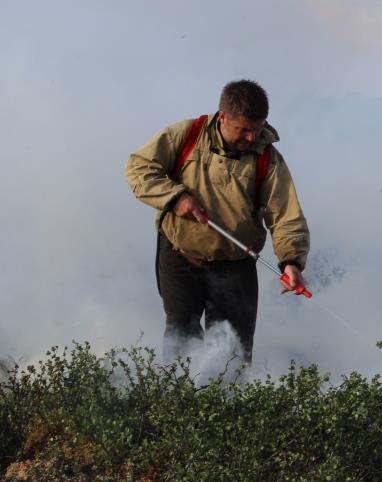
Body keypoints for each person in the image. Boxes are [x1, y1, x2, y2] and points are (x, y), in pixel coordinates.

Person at [124, 80, 309, 362]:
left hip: (237, 265)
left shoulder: (268, 158)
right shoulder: (185, 135)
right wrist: (176, 198)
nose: (251, 138)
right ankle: (179, 404)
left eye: (256, 130)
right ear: (223, 117)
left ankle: (229, 405)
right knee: (181, 343)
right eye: (243, 130)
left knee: (233, 353)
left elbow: (285, 214)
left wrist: (291, 261)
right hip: (179, 257)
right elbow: (138, 168)